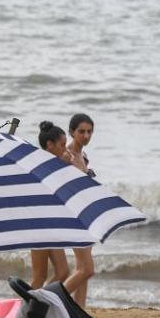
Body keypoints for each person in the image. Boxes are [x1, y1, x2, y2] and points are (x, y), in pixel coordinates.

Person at [29, 121, 71, 290]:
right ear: (49, 145)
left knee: (63, 272)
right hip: (38, 225)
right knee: (39, 277)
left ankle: (40, 303)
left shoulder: (55, 165)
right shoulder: (41, 165)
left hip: (51, 224)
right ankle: (23, 312)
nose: (65, 149)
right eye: (62, 145)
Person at [64, 113, 97, 306]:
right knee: (87, 269)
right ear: (71, 132)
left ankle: (79, 311)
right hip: (73, 215)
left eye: (89, 131)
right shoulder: (67, 156)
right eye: (81, 131)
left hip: (86, 215)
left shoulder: (83, 156)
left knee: (82, 268)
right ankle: (50, 299)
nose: (86, 135)